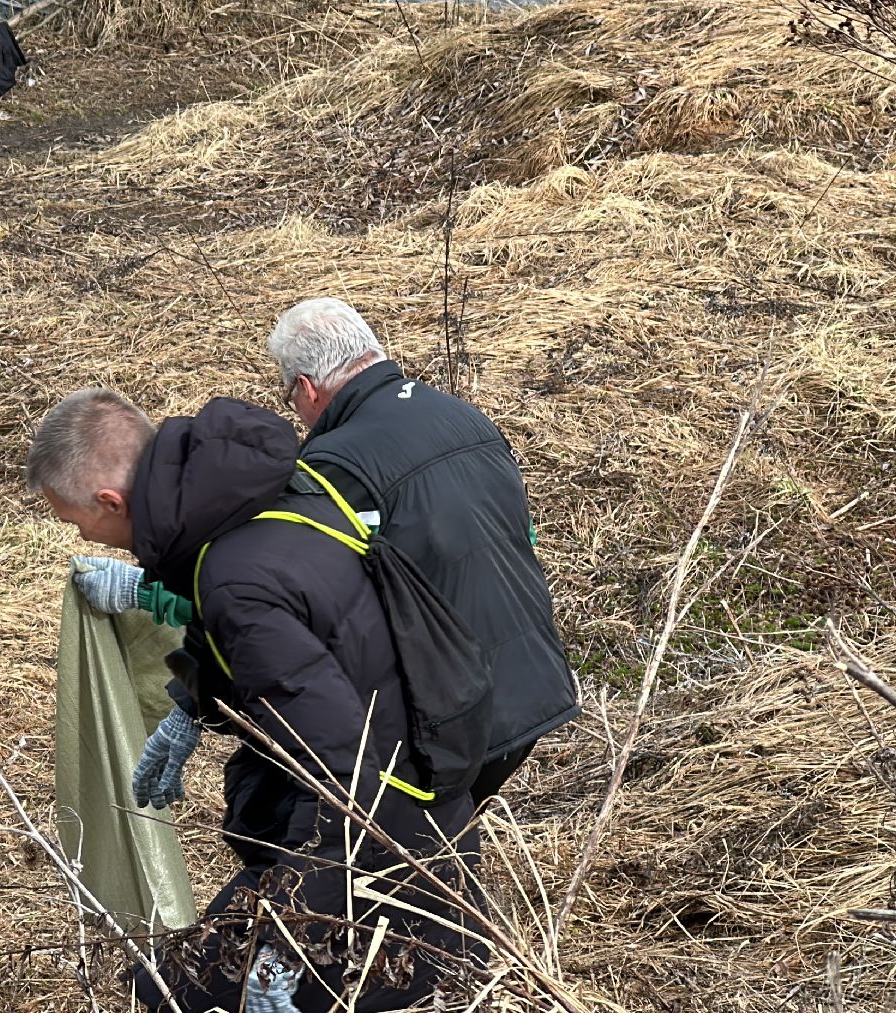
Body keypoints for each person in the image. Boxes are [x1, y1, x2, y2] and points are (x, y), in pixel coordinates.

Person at [31, 389, 485, 1013]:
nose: (82, 540)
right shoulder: (255, 503)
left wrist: (283, 948)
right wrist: (193, 706)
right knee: (173, 996)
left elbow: (350, 778)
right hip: (419, 791)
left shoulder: (232, 577)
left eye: (75, 522)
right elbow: (302, 642)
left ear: (110, 502)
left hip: (389, 840)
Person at [72, 298, 576, 813]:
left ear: (307, 388)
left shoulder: (334, 465)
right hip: (531, 679)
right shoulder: (463, 418)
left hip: (451, 704)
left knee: (397, 857)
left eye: (289, 394)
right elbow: (521, 539)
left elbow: (308, 599)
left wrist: (152, 605)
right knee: (439, 850)